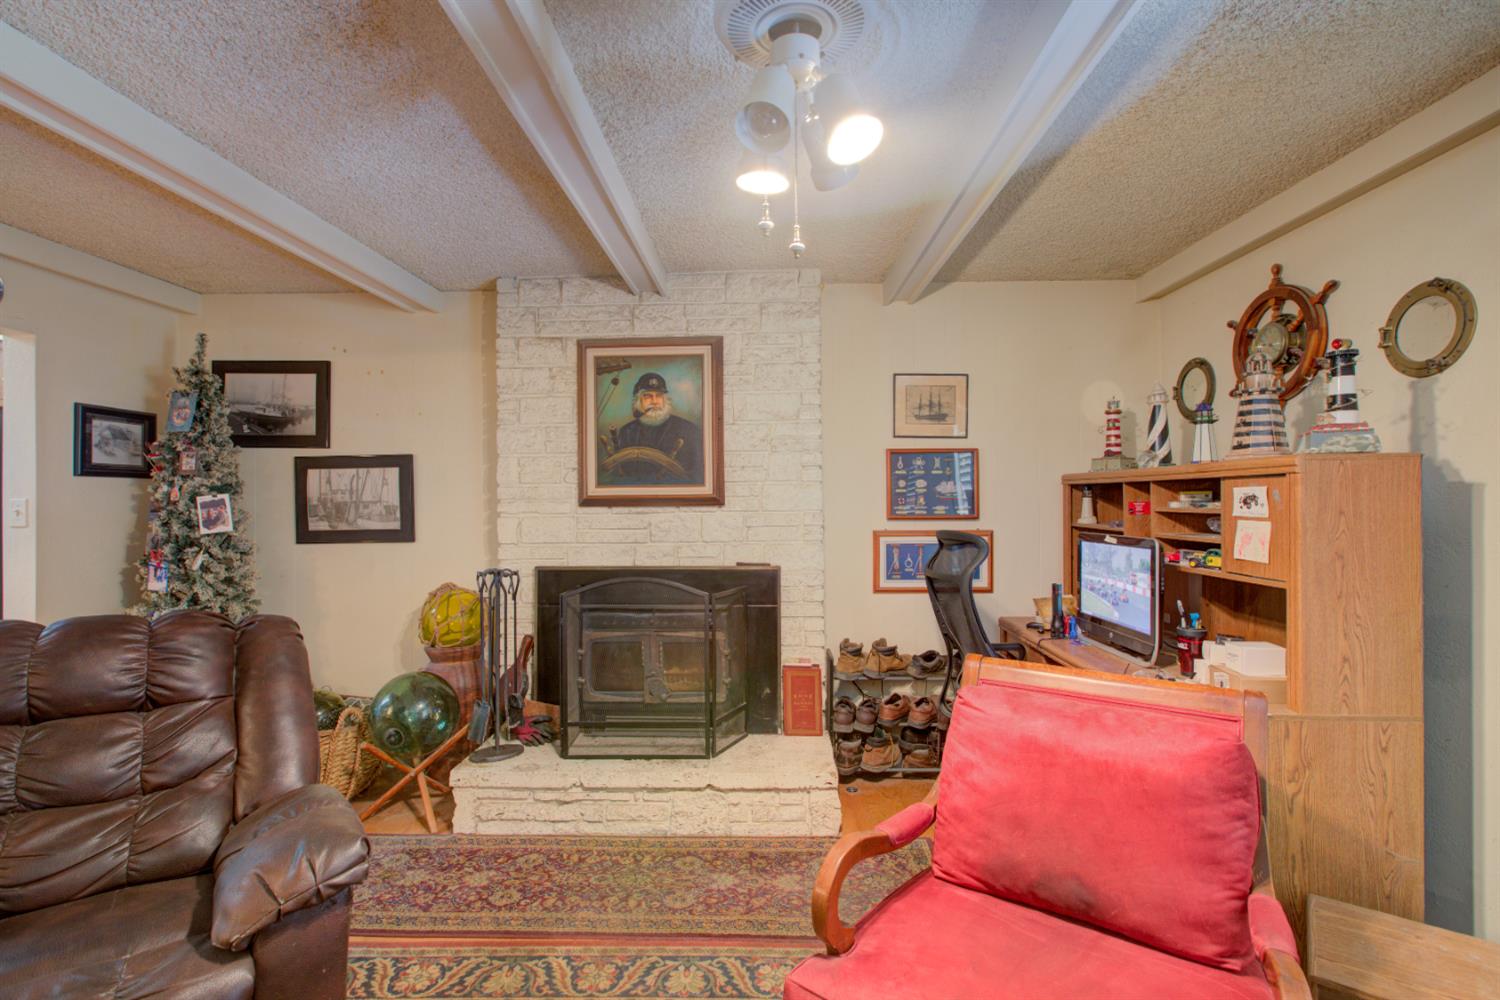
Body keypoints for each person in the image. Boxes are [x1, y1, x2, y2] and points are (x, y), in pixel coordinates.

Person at [601, 372, 703, 485]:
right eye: (647, 396)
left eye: (659, 396)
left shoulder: (688, 430)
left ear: (665, 400)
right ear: (638, 401)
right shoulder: (626, 431)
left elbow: (695, 476)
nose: (654, 401)